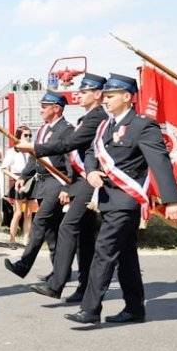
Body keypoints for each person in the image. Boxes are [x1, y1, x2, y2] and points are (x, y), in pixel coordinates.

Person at [66, 73, 177, 324]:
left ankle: (90, 309)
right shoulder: (104, 126)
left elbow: (160, 162)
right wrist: (91, 171)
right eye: (105, 96)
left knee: (104, 251)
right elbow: (90, 152)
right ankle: (134, 308)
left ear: (127, 97)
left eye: (110, 96)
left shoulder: (143, 125)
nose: (105, 101)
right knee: (125, 255)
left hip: (126, 201)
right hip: (108, 199)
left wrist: (172, 200)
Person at [17, 73, 109, 302]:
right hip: (82, 181)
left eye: (85, 91)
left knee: (68, 228)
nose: (79, 94)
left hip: (93, 181)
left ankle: (57, 283)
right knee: (85, 238)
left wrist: (34, 148)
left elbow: (68, 145)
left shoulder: (96, 117)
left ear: (97, 95)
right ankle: (85, 287)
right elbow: (78, 156)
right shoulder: (87, 119)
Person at [3, 92, 73, 279]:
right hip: (42, 184)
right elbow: (36, 158)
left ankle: (23, 265)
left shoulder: (67, 130)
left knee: (39, 222)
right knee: (52, 232)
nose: (41, 109)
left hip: (56, 183)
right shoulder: (43, 129)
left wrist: (68, 187)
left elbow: (70, 160)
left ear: (56, 108)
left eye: (44, 106)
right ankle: (60, 273)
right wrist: (23, 177)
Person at [0, 125, 34, 247]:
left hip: (31, 179)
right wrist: (17, 178)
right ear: (18, 136)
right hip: (17, 179)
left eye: (30, 135)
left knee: (29, 213)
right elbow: (4, 168)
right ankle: (12, 239)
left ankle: (26, 238)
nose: (28, 138)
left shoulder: (32, 150)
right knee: (18, 212)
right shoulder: (12, 151)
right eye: (26, 135)